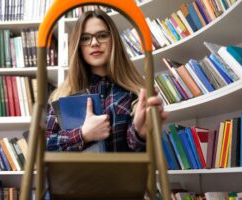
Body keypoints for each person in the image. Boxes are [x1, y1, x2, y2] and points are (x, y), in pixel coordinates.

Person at [46, 9, 168, 152]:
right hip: (72, 174)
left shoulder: (135, 93)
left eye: (102, 35)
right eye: (85, 38)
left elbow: (136, 150)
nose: (94, 43)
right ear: (78, 46)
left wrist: (139, 134)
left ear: (113, 41)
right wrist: (83, 134)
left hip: (122, 174)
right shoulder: (61, 96)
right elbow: (42, 147)